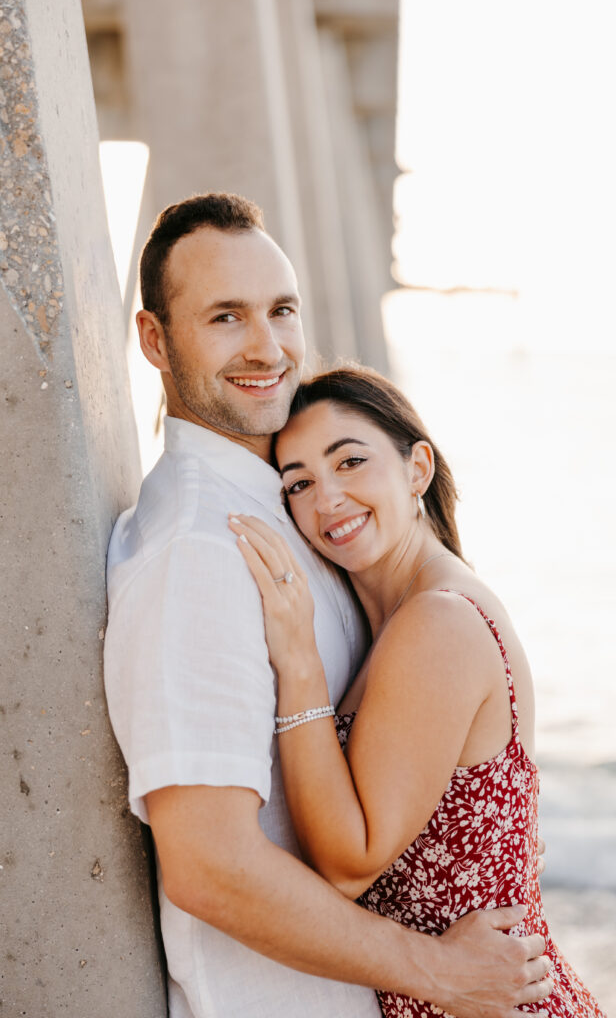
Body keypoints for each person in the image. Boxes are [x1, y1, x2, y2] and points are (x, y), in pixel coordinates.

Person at [103, 192, 553, 1018]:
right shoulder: (199, 555)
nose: (267, 345)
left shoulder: (288, 525)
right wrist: (437, 970)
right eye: (225, 318)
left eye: (280, 310)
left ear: (414, 468)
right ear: (154, 341)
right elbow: (208, 864)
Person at [228, 366, 606, 1017]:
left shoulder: (438, 621)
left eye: (350, 462)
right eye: (299, 483)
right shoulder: (407, 617)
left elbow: (349, 867)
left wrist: (298, 664)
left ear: (416, 469)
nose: (327, 500)